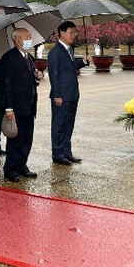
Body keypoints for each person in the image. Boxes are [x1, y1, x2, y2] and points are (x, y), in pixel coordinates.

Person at [0, 28, 44, 182]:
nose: (29, 39)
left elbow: (31, 77)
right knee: (15, 140)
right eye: (26, 37)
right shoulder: (9, 58)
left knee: (27, 138)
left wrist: (37, 75)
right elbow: (6, 84)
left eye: (30, 36)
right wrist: (8, 108)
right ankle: (10, 169)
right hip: (16, 107)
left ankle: (22, 165)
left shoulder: (29, 57)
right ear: (17, 39)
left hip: (30, 105)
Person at [48, 21, 92, 165]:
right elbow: (53, 75)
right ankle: (58, 154)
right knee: (59, 126)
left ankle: (67, 152)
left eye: (75, 33)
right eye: (71, 32)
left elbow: (71, 67)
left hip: (72, 94)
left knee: (68, 125)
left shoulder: (69, 49)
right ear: (61, 33)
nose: (74, 35)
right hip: (61, 96)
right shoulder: (55, 52)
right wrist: (57, 95)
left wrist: (84, 62)